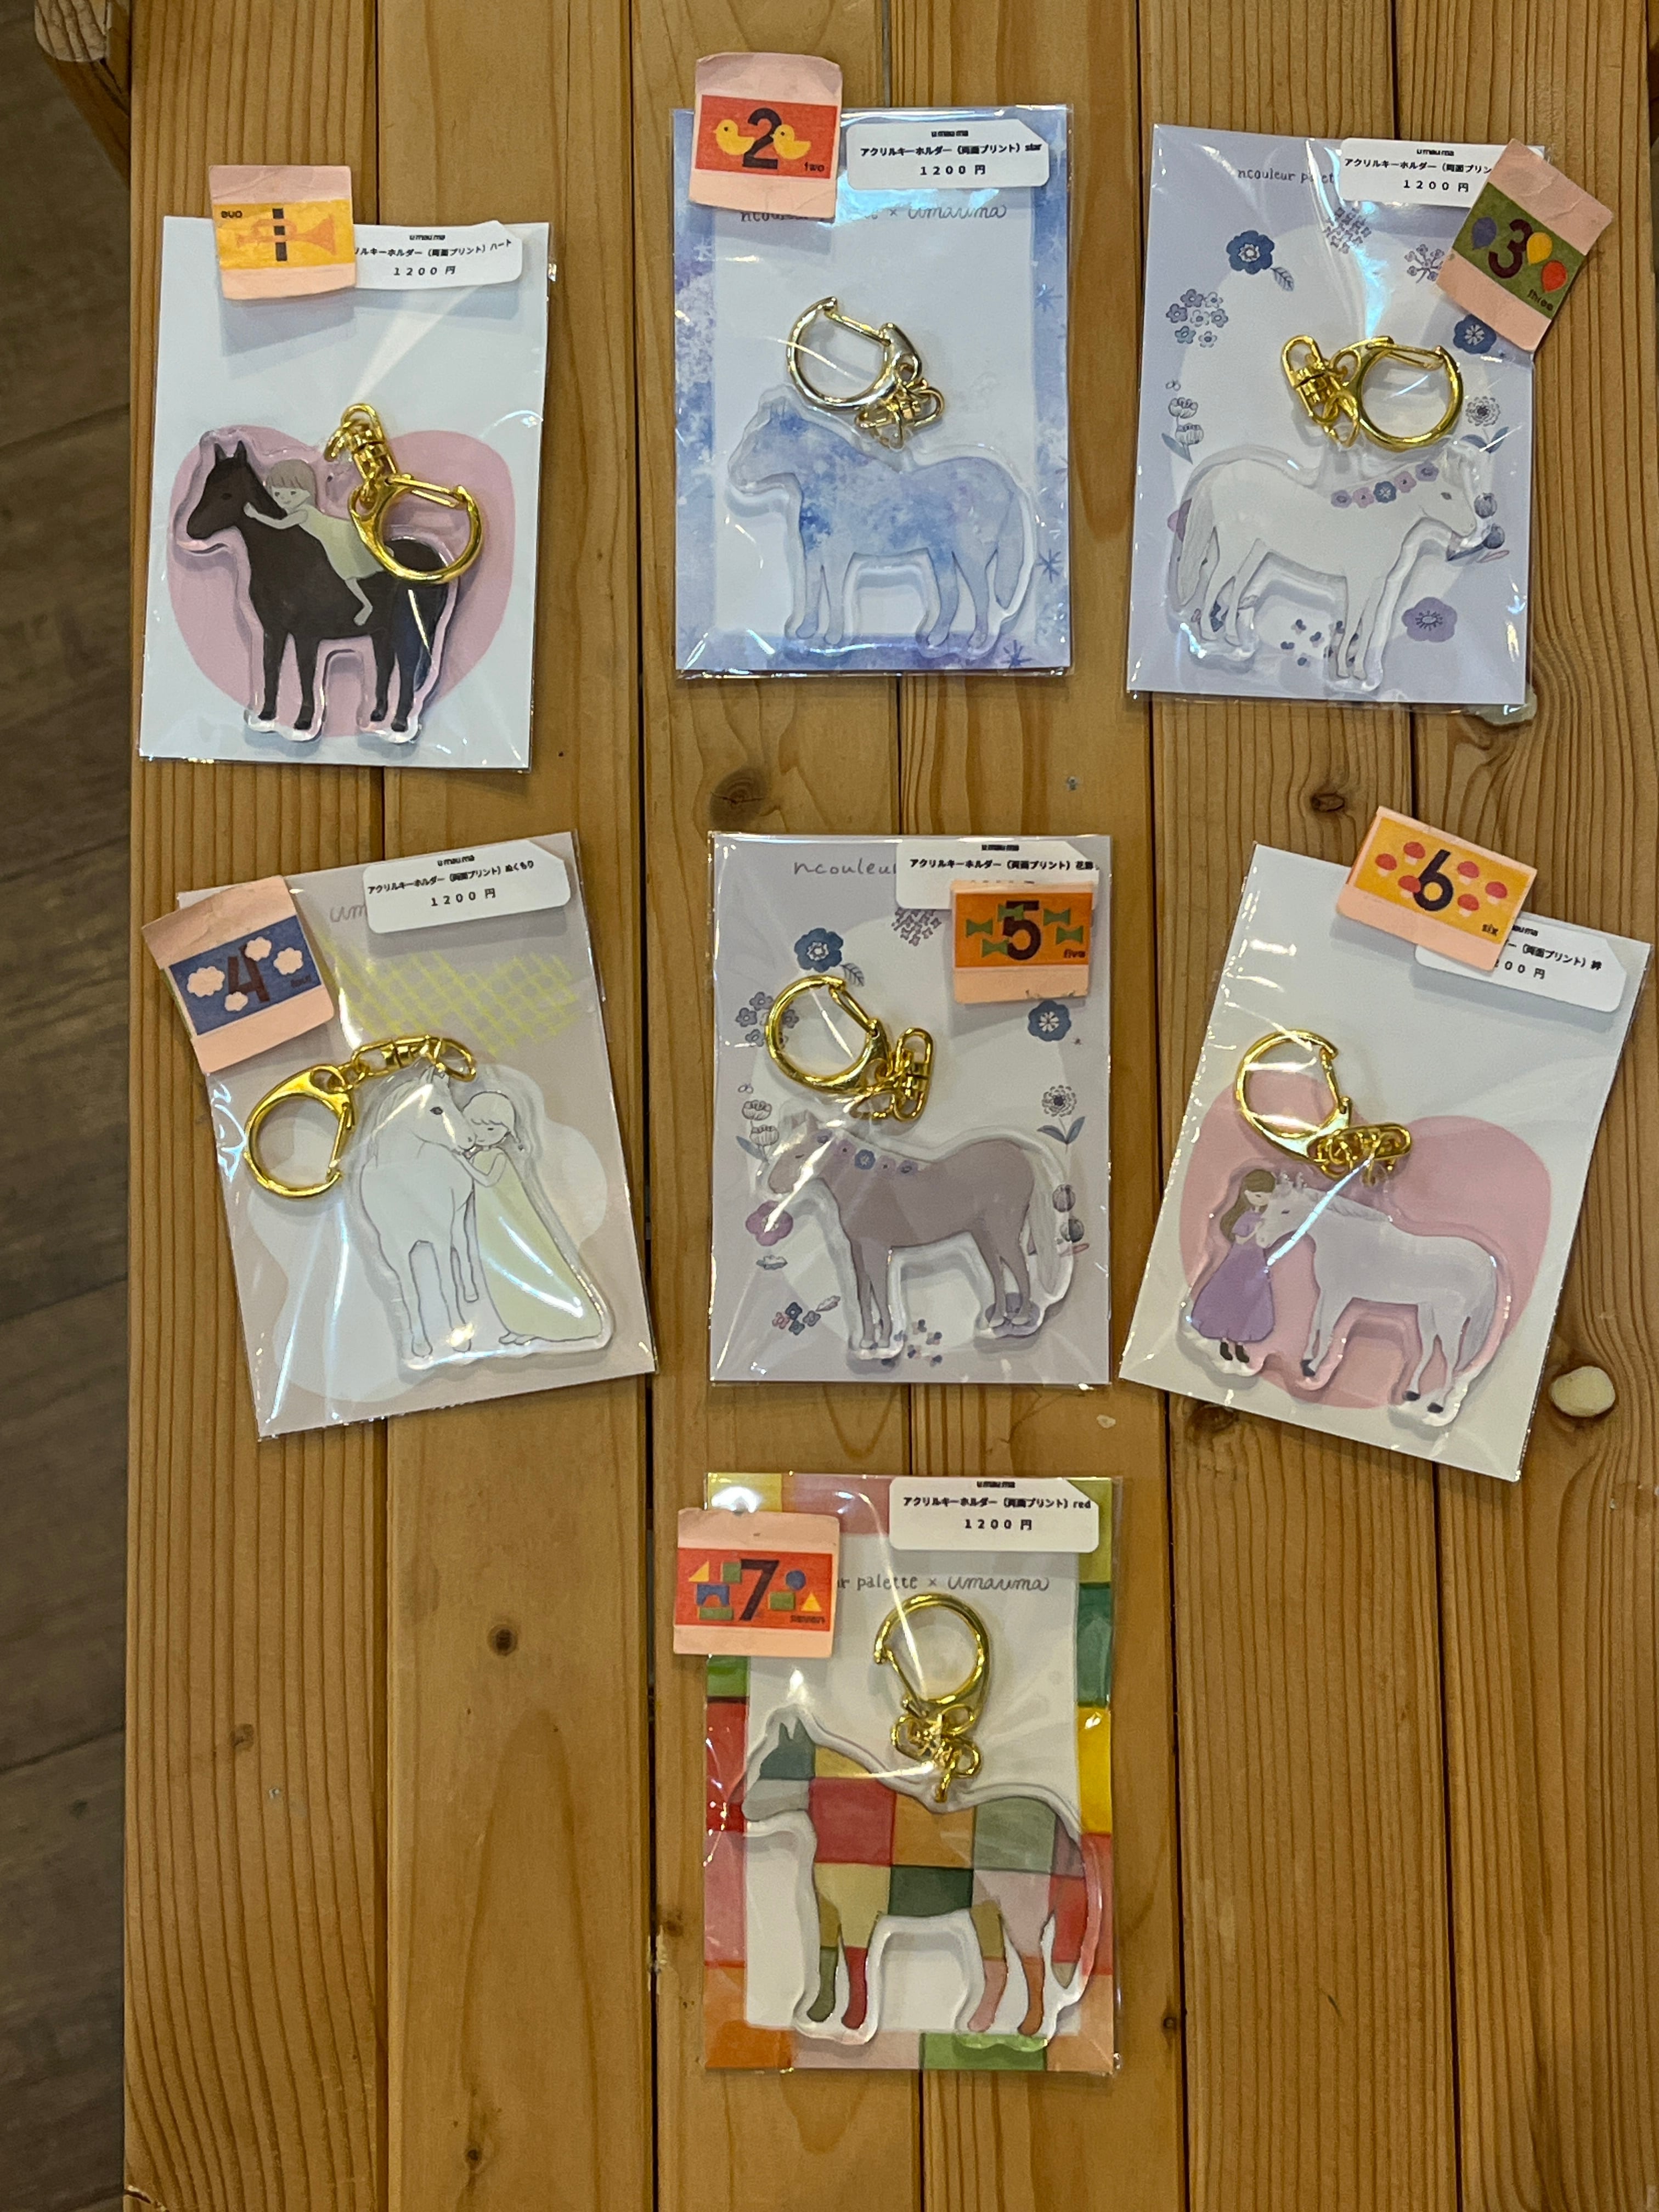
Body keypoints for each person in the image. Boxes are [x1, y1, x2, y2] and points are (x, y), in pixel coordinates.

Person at [457, 1090, 607, 1348]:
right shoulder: (480, 1155)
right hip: (489, 1224)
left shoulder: (497, 1156)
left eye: (491, 1129)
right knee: (499, 1275)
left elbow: (487, 1180)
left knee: (522, 1268)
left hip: (509, 1224)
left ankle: (557, 1323)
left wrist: (461, 1162)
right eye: (476, 1125)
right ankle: (519, 1326)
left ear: (506, 1133)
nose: (482, 1133)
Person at [244, 456, 380, 624]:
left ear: (308, 490)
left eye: (293, 493)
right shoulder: (300, 510)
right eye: (278, 494)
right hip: (337, 534)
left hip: (337, 539)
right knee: (352, 571)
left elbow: (279, 525)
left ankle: (367, 606)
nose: (285, 499)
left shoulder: (302, 513)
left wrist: (256, 516)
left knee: (348, 576)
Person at [1188, 1166, 1278, 1367]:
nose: (1264, 1199)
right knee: (1230, 1299)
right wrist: (1255, 1231)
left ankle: (1240, 1343)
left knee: (1249, 1302)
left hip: (1256, 1262)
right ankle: (1223, 1341)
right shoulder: (1245, 1218)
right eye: (1258, 1195)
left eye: (1268, 1195)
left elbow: (1267, 1242)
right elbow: (1240, 1240)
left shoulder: (1266, 1218)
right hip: (1239, 1261)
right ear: (1246, 1194)